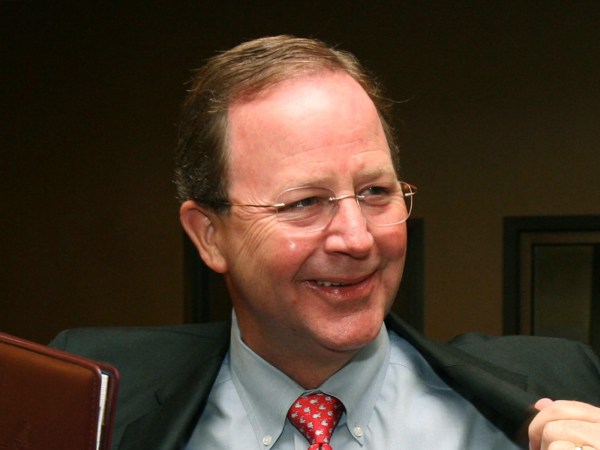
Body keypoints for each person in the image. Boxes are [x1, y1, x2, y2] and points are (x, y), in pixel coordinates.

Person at [50, 35, 600, 450]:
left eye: (375, 191)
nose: (357, 239)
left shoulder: (560, 387)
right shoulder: (90, 399)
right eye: (304, 203)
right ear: (210, 236)